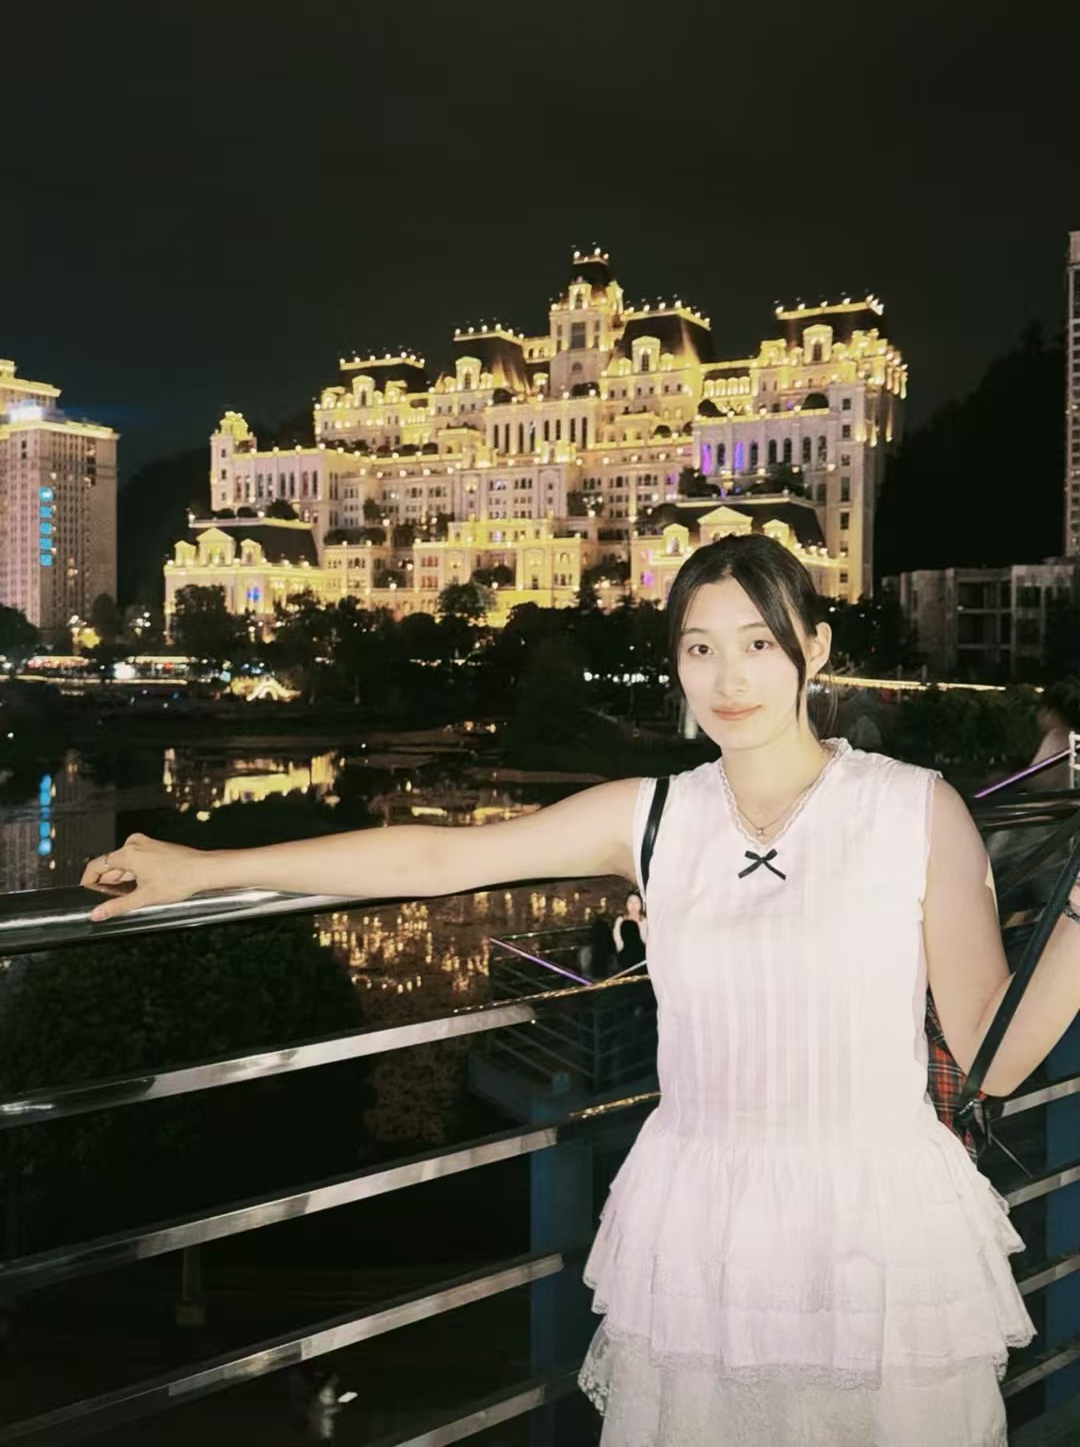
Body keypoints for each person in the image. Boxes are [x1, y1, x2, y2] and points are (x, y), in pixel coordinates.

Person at [81, 534, 1080, 1445]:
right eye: (699, 649)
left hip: (874, 1227)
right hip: (703, 1222)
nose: (728, 678)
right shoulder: (652, 816)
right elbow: (436, 858)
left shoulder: (913, 810)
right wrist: (202, 868)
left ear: (813, 650)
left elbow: (997, 1054)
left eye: (758, 645)